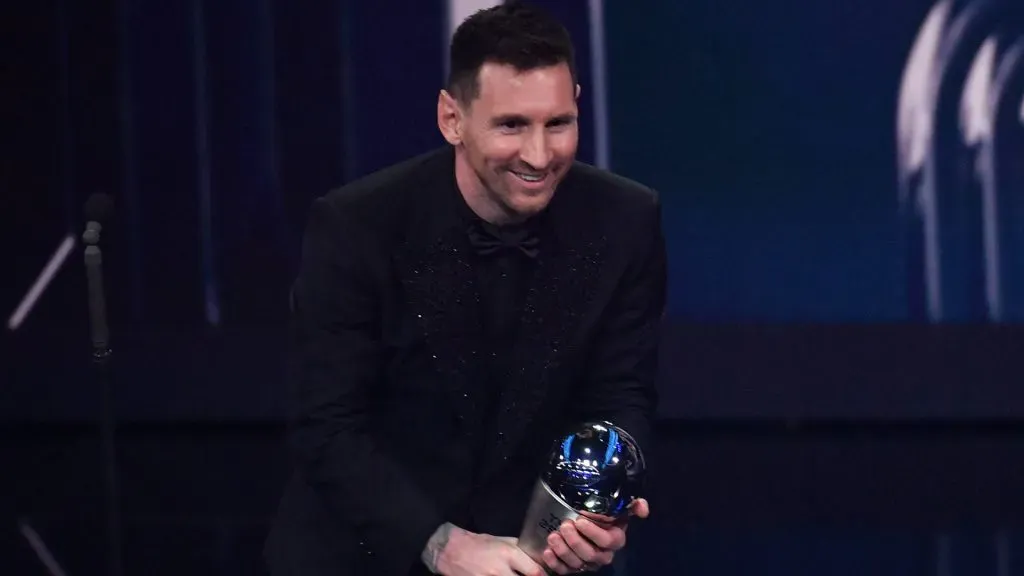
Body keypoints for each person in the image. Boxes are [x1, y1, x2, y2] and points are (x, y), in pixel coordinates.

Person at [264, 3, 666, 575]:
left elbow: (622, 392)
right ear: (452, 119)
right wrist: (439, 543)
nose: (539, 155)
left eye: (559, 123)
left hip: (529, 556)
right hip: (366, 553)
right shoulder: (358, 225)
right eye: (511, 125)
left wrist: (597, 505)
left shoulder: (625, 219)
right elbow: (326, 427)